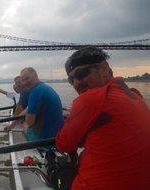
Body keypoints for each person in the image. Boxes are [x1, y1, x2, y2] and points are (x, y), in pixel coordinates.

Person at [56, 46, 150, 190]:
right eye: (71, 79)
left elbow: (64, 144)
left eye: (81, 73)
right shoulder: (135, 95)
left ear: (104, 69)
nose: (76, 83)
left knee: (59, 177)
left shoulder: (90, 99)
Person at [20, 67, 64, 141]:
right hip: (58, 133)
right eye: (23, 80)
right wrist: (12, 125)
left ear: (36, 75)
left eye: (27, 78)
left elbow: (30, 122)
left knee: (24, 123)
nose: (25, 82)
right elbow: (27, 109)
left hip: (44, 139)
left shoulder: (35, 92)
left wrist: (24, 119)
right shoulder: (44, 87)